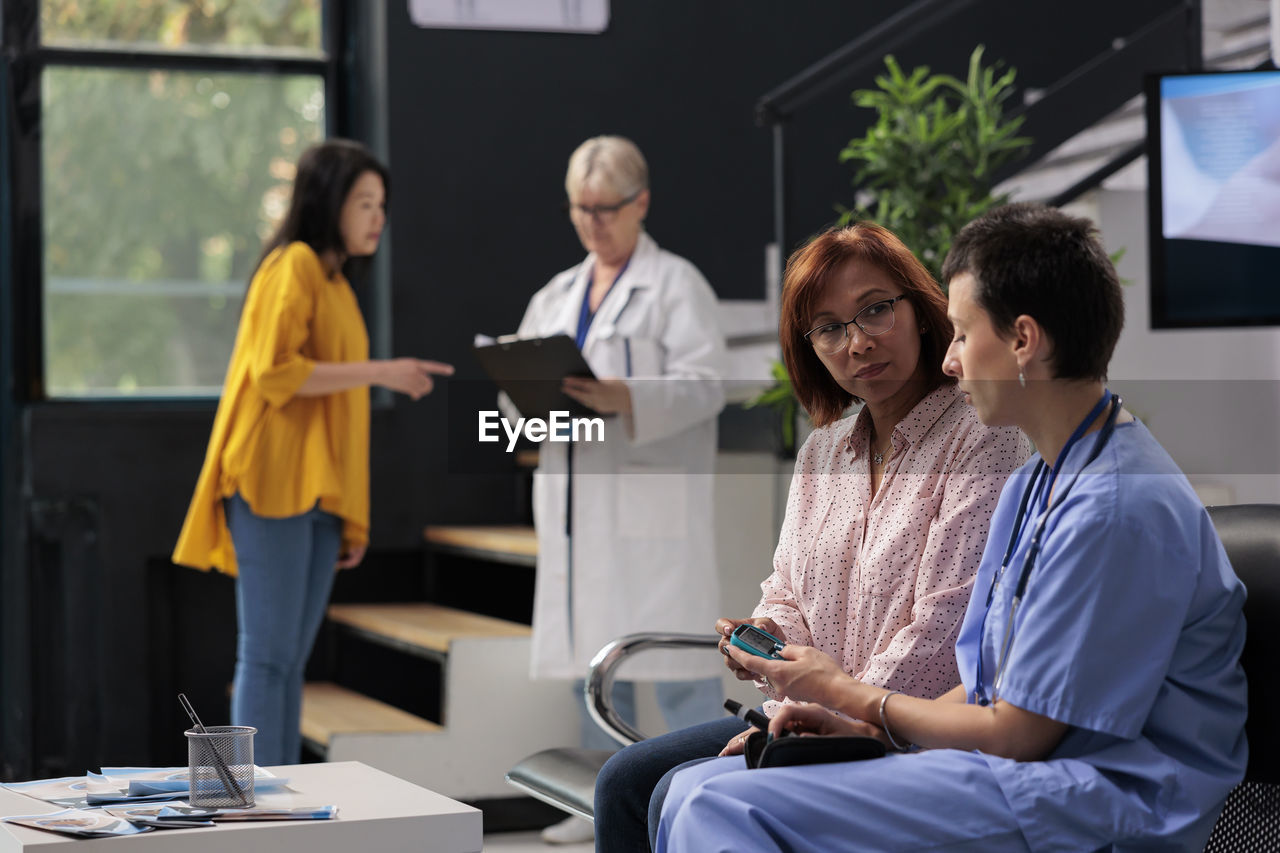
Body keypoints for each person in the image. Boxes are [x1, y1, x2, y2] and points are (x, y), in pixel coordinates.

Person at [658, 203, 1248, 852]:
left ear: (1023, 340)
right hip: (1008, 764)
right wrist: (868, 726)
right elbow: (994, 683)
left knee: (716, 802)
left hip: (1087, 795)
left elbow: (1020, 732)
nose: (950, 360)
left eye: (963, 335)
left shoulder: (1113, 505)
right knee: (691, 791)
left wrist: (851, 699)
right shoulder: (1044, 479)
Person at [593, 222, 1030, 851]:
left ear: (921, 307)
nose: (857, 342)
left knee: (669, 792)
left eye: (875, 309)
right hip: (807, 712)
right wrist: (768, 641)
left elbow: (944, 630)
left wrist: (839, 712)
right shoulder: (823, 452)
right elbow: (788, 590)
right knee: (624, 782)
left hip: (900, 722)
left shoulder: (980, 434)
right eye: (829, 327)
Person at [172, 139, 454, 766]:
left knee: (288, 661)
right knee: (267, 656)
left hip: (319, 491)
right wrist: (382, 371)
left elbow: (340, 413)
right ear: (328, 202)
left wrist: (350, 513)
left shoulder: (336, 285)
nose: (377, 217)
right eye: (364, 203)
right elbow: (275, 374)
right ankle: (251, 802)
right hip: (273, 480)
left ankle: (281, 801)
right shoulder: (295, 264)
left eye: (382, 204)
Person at [505, 135, 729, 845]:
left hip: (648, 500)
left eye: (605, 208)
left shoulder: (676, 285)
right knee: (592, 662)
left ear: (642, 204)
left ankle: (715, 791)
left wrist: (623, 395)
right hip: (578, 501)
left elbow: (707, 384)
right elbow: (517, 390)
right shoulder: (555, 295)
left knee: (675, 667)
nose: (592, 223)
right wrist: (522, 416)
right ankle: (594, 801)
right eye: (580, 209)